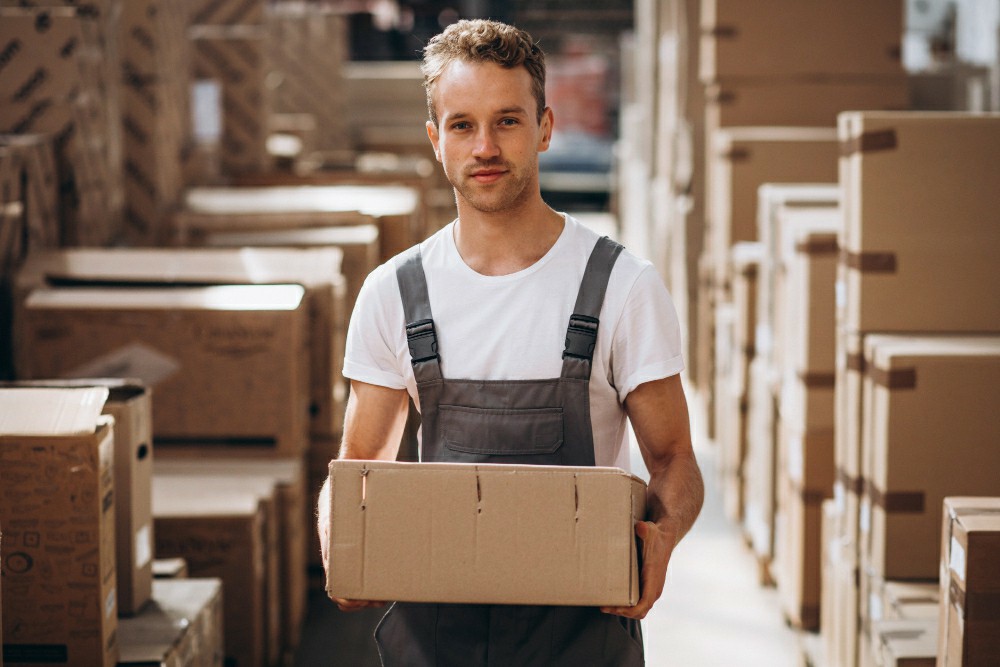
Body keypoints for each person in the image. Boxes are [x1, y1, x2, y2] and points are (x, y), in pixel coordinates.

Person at [317, 18, 704, 666]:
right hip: (432, 644)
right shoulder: (394, 293)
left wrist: (662, 535)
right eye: (463, 125)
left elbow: (674, 458)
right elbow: (360, 467)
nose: (485, 146)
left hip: (582, 638)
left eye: (508, 121)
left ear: (546, 127)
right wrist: (340, 531)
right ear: (436, 140)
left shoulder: (620, 286)